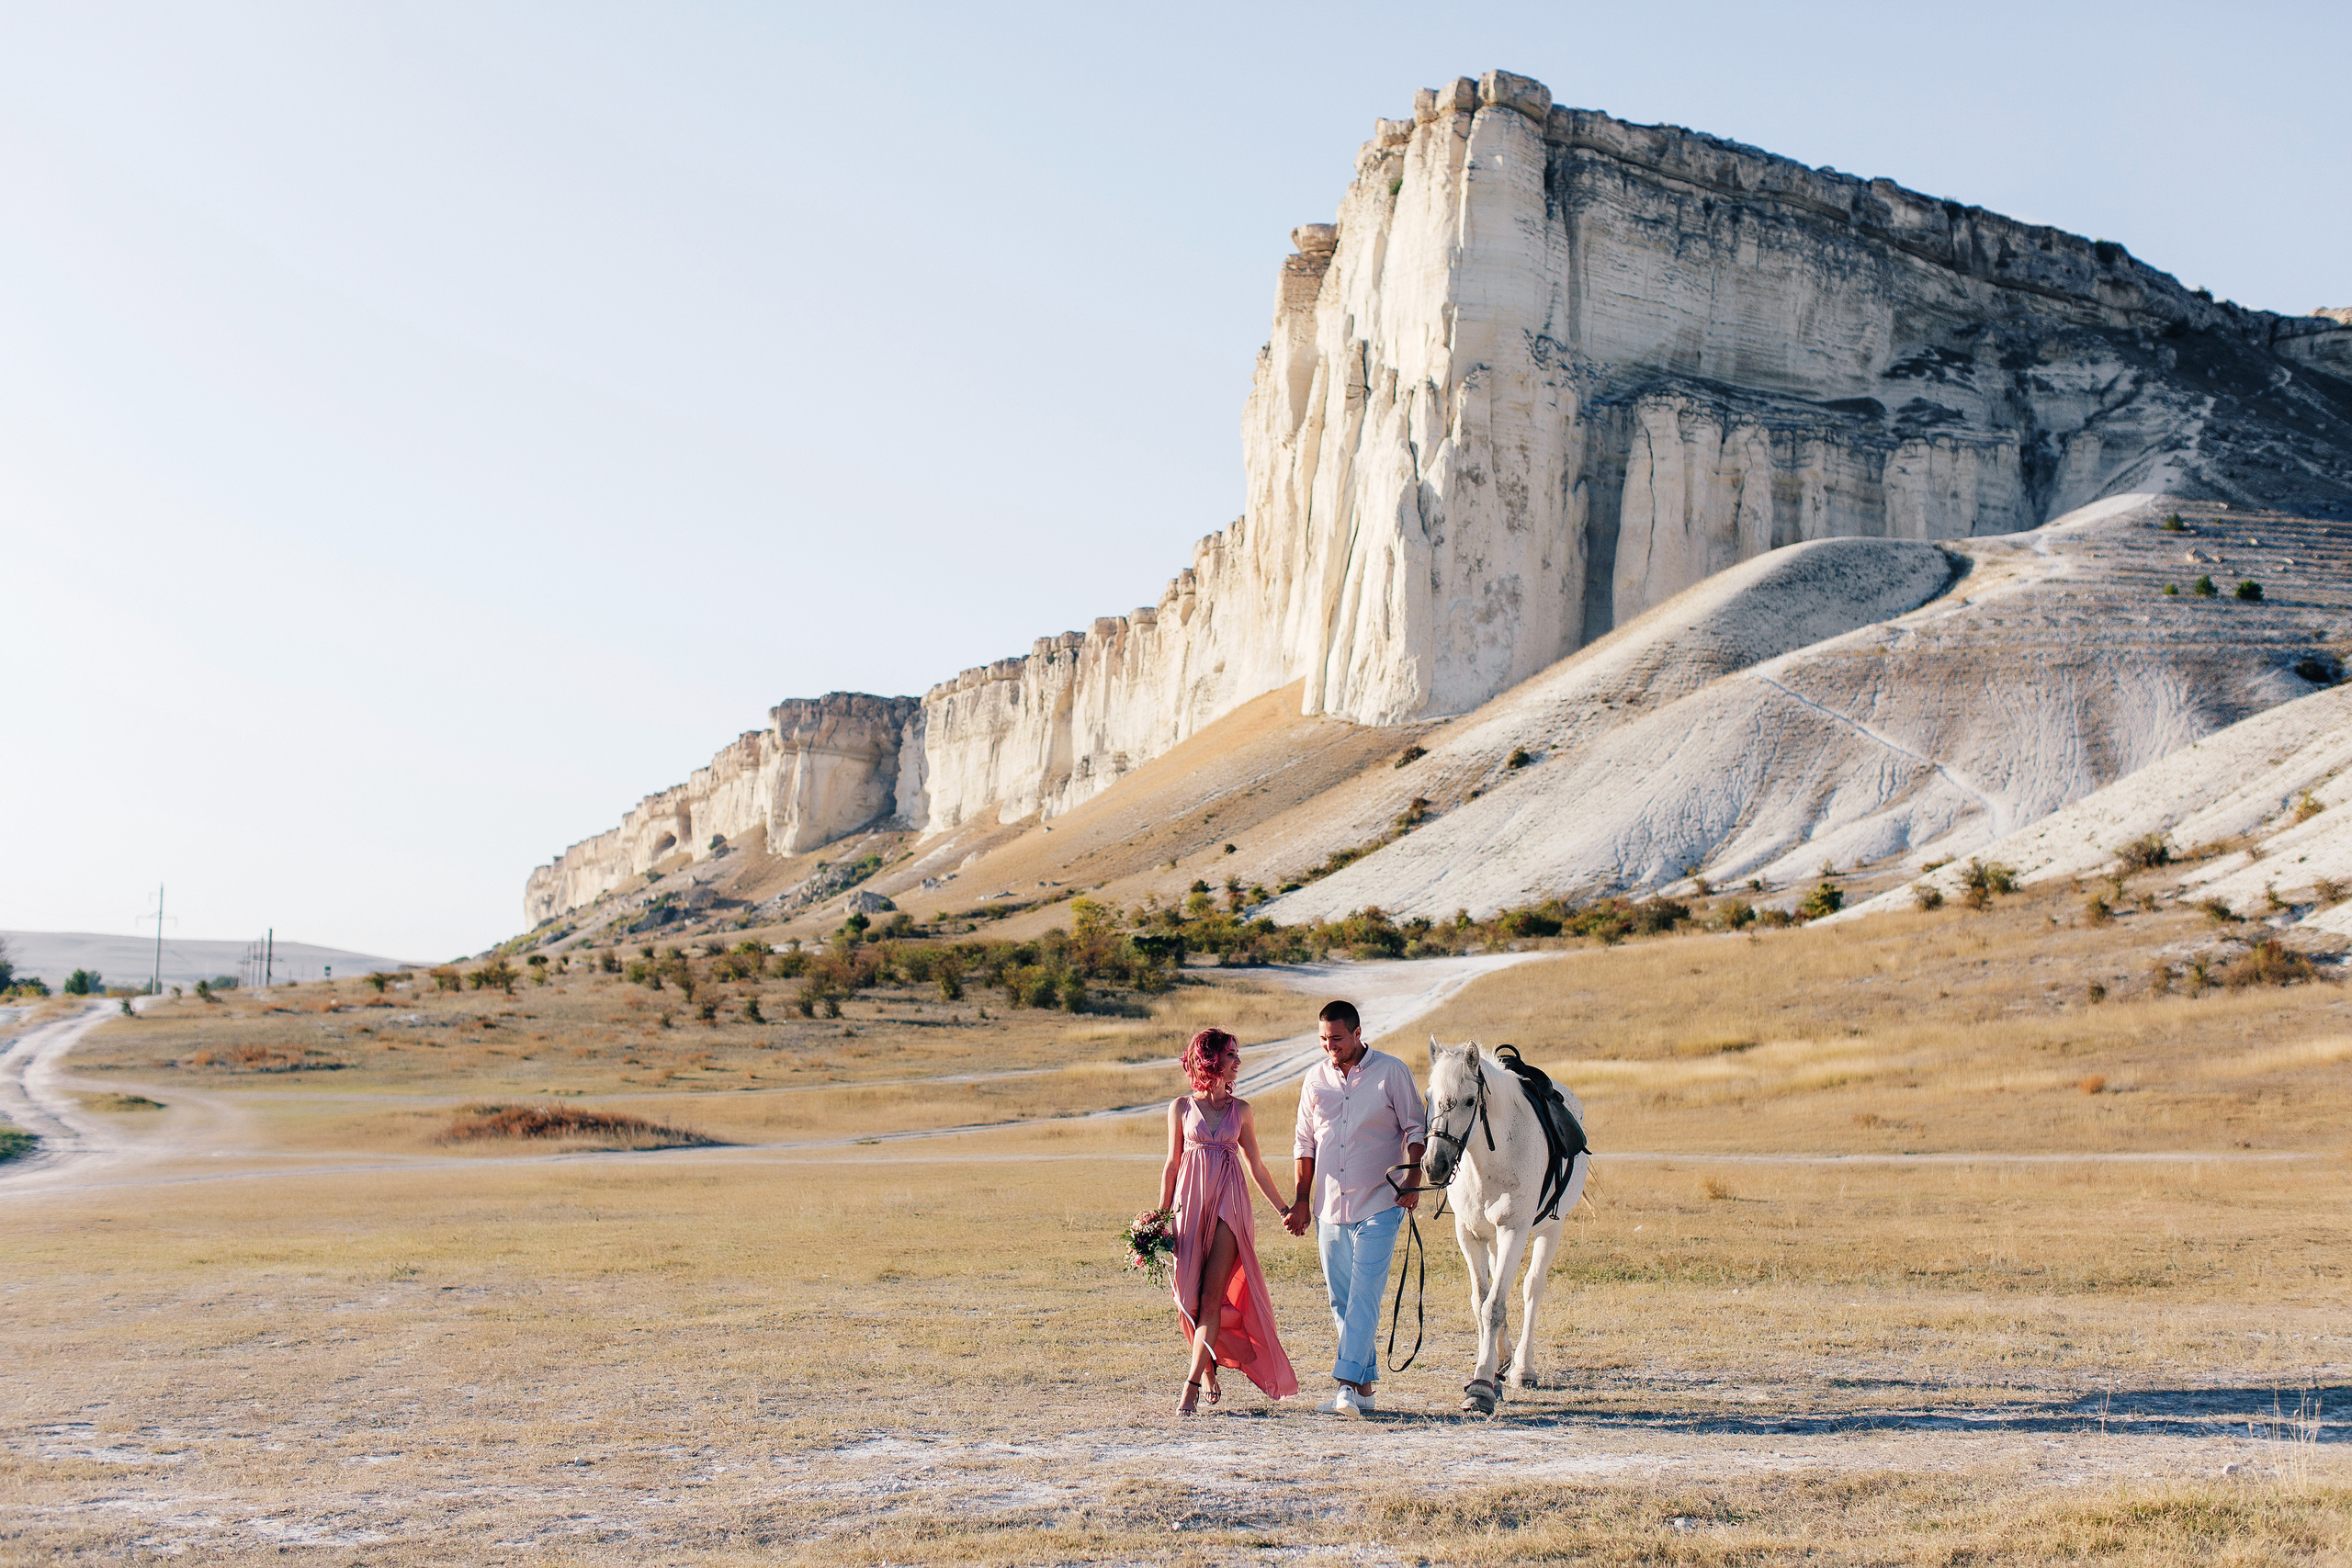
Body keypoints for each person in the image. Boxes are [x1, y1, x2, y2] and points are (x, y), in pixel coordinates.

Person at [1283, 999, 1427, 1417]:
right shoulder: (1314, 1080)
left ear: (1358, 1032)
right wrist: (1301, 1200)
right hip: (1329, 1207)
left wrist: (1412, 1180)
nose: (1331, 1047)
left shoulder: (1392, 1072)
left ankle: (1345, 1386)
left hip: (1382, 1202)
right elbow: (1304, 1144)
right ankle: (1364, 1389)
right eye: (1325, 1040)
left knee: (1364, 1296)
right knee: (1341, 1300)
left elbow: (1416, 1128)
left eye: (1338, 1039)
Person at [1156, 1026, 1299, 1415]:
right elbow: (1171, 1165)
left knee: (1209, 1299)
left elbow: (1256, 1166)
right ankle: (1207, 1368)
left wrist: (1284, 1209)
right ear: (1212, 1059)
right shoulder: (1181, 1108)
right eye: (1232, 1055)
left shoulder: (1242, 1111)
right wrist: (1159, 1217)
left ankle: (1190, 1386)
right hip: (1190, 1203)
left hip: (1230, 1206)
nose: (1238, 1062)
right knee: (1186, 1299)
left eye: (1237, 1055)